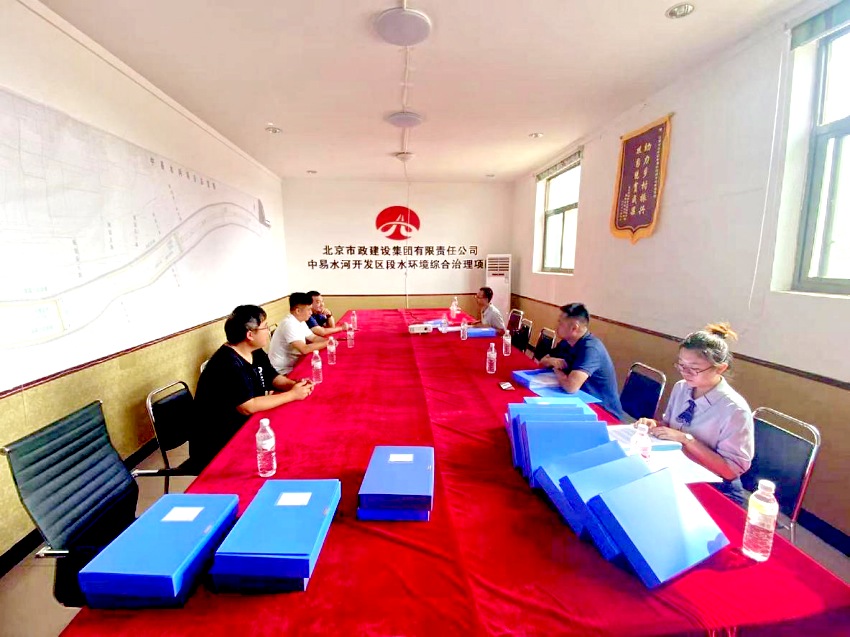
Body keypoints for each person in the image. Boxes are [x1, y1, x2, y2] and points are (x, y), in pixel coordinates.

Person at [635, 323, 754, 505]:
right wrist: (655, 425)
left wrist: (687, 440)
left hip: (715, 486)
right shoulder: (682, 388)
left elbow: (730, 471)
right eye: (681, 365)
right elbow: (671, 427)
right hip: (677, 467)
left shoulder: (735, 410)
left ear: (720, 368)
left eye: (694, 368)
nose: (685, 373)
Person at [192, 304, 313, 468]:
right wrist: (292, 395)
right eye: (265, 327)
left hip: (247, 426)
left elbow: (273, 377)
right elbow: (247, 406)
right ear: (250, 335)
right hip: (219, 442)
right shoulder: (227, 364)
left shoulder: (255, 351)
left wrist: (294, 385)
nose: (268, 331)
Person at [539, 303, 624, 419]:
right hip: (578, 400)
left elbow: (570, 387)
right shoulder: (567, 342)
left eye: (560, 323)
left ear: (574, 328)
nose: (556, 326)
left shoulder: (591, 349)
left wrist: (557, 370)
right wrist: (552, 361)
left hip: (602, 412)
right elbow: (542, 361)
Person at [269, 292, 328, 375]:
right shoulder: (289, 324)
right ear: (298, 311)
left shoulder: (300, 321)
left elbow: (313, 338)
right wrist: (327, 343)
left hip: (293, 364)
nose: (311, 313)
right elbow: (304, 349)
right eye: (308, 310)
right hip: (281, 371)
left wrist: (328, 340)